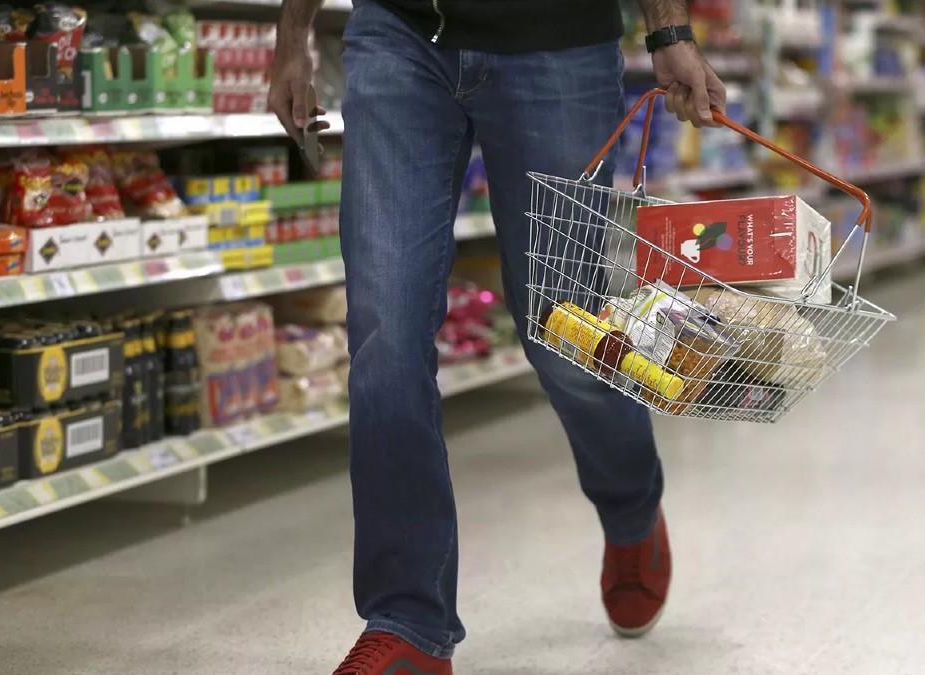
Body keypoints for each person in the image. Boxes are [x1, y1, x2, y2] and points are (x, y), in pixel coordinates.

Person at [269, 1, 726, 672]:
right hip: (400, 31)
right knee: (384, 333)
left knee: (565, 337)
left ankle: (630, 503)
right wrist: (293, 35)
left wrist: (669, 28)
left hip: (556, 41)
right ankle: (409, 620)